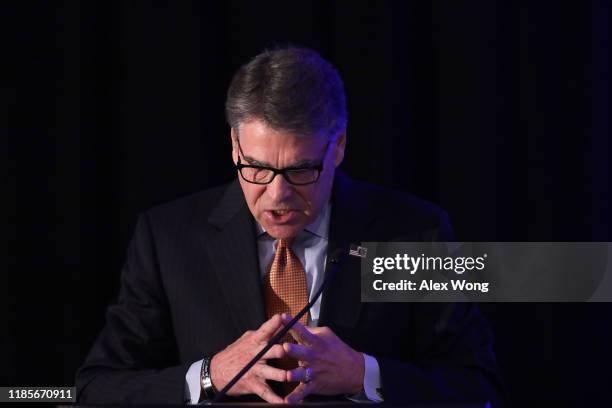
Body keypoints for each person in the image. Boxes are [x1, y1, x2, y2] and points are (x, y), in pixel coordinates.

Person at [76, 47, 503, 405]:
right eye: (257, 169)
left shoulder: (414, 234)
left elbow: (477, 386)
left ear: (337, 147)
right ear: (233, 146)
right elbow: (96, 387)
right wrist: (208, 376)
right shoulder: (168, 237)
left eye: (300, 170)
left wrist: (363, 374)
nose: (277, 196)